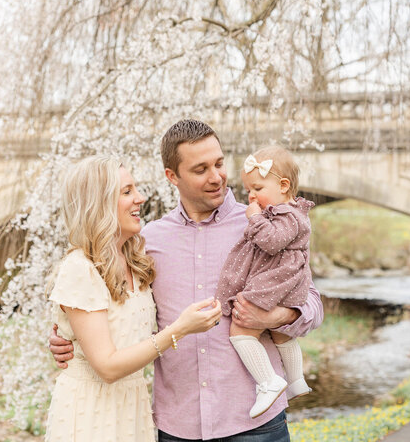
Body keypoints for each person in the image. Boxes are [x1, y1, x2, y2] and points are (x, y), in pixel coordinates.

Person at [50, 120, 324, 441]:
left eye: (219, 164)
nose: (216, 177)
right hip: (176, 427)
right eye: (200, 169)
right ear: (172, 176)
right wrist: (71, 340)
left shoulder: (265, 225)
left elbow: (311, 303)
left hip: (254, 424)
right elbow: (117, 307)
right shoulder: (147, 242)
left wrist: (277, 317)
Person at [45, 155, 222, 442]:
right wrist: (180, 329)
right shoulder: (81, 268)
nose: (139, 198)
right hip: (90, 412)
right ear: (98, 203)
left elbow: (128, 334)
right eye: (127, 191)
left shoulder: (138, 261)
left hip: (131, 408)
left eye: (135, 189)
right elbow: (107, 367)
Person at [215, 146, 314, 418]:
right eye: (248, 190)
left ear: (283, 186)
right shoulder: (292, 213)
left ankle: (268, 381)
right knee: (282, 332)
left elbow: (271, 242)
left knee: (241, 330)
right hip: (286, 283)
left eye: (257, 188)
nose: (251, 196)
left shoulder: (287, 215)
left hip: (275, 281)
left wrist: (255, 218)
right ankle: (295, 380)